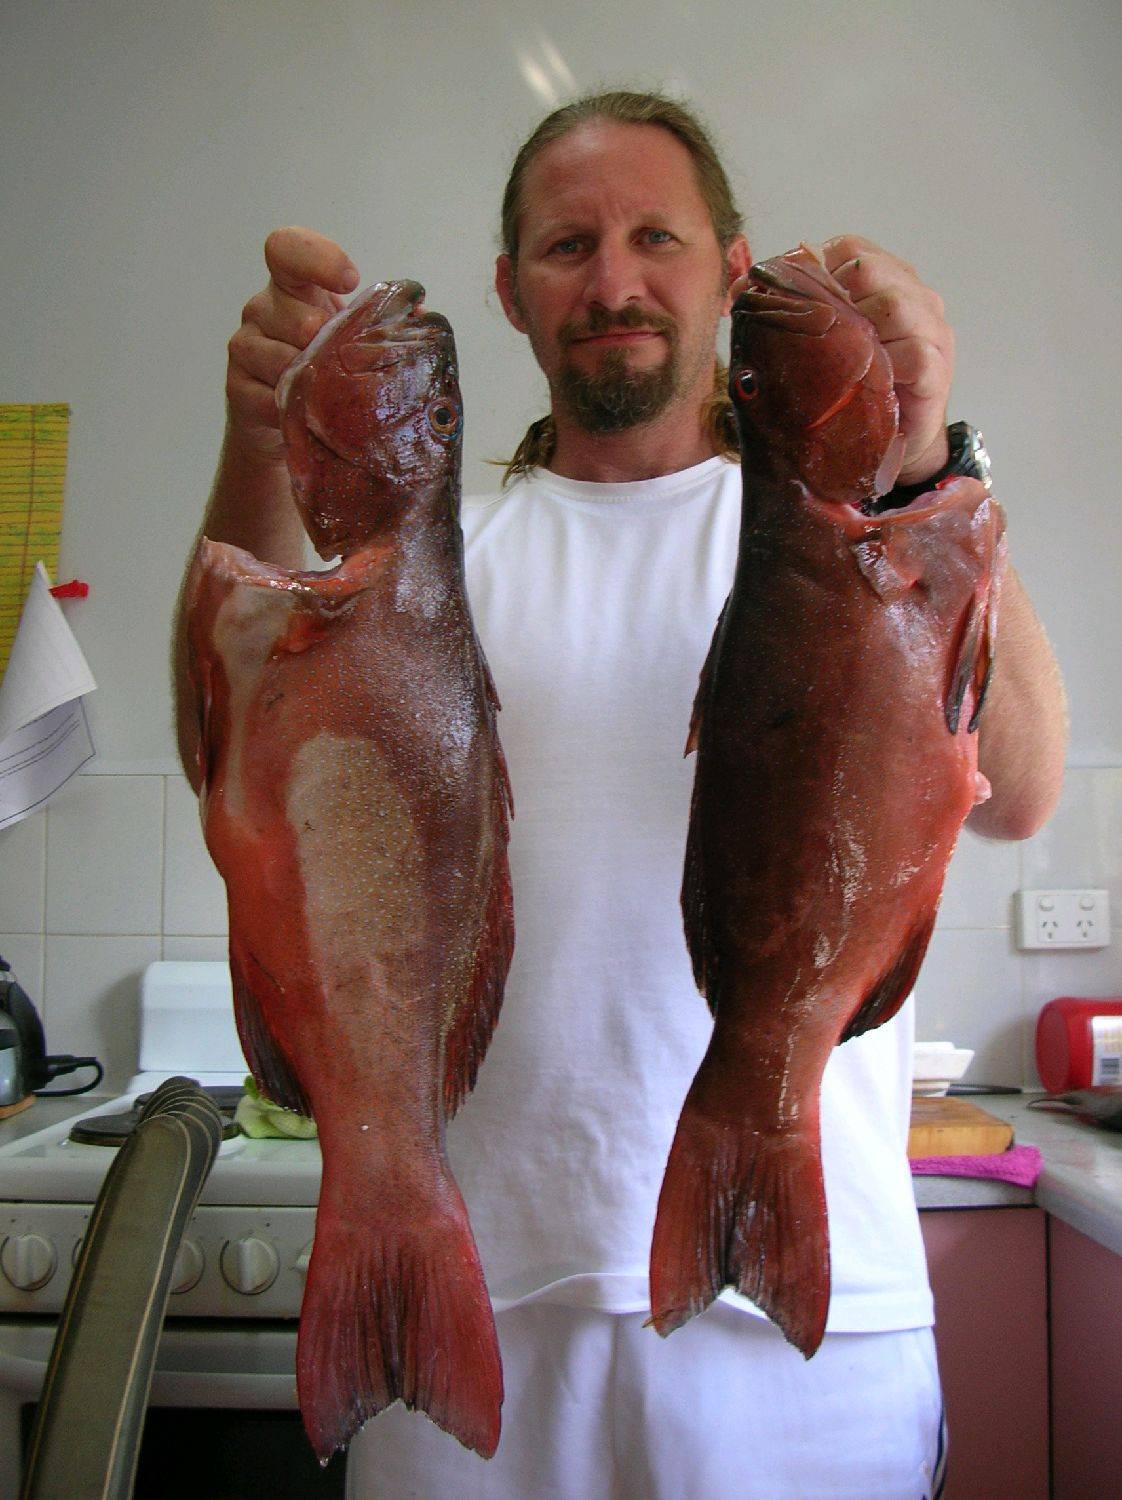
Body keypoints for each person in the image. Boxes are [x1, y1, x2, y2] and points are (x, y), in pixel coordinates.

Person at [173, 90, 1067, 1499]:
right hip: (471, 1289)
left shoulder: (857, 542)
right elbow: (225, 750)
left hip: (802, 1319)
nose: (612, 282)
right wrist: (255, 441)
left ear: (730, 266)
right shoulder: (428, 567)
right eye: (565, 246)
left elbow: (1017, 792)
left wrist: (921, 457)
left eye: (656, 236)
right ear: (509, 294)